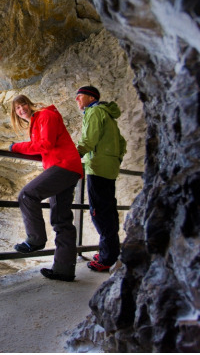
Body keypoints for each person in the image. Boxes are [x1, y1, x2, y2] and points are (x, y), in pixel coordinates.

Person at [9, 95, 83, 282]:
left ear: (30, 104)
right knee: (62, 220)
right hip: (66, 167)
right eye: (17, 108)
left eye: (23, 104)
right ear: (15, 113)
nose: (21, 109)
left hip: (63, 166)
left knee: (27, 195)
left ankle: (35, 240)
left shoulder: (45, 116)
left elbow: (46, 144)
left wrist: (16, 147)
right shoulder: (37, 121)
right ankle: (64, 270)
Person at [75, 86, 126, 272]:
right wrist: (116, 159)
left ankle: (106, 258)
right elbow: (122, 143)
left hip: (97, 168)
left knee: (100, 214)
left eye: (79, 97)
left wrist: (73, 156)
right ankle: (111, 251)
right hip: (109, 167)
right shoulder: (108, 114)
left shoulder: (94, 111)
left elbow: (89, 140)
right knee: (109, 211)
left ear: (90, 97)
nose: (77, 100)